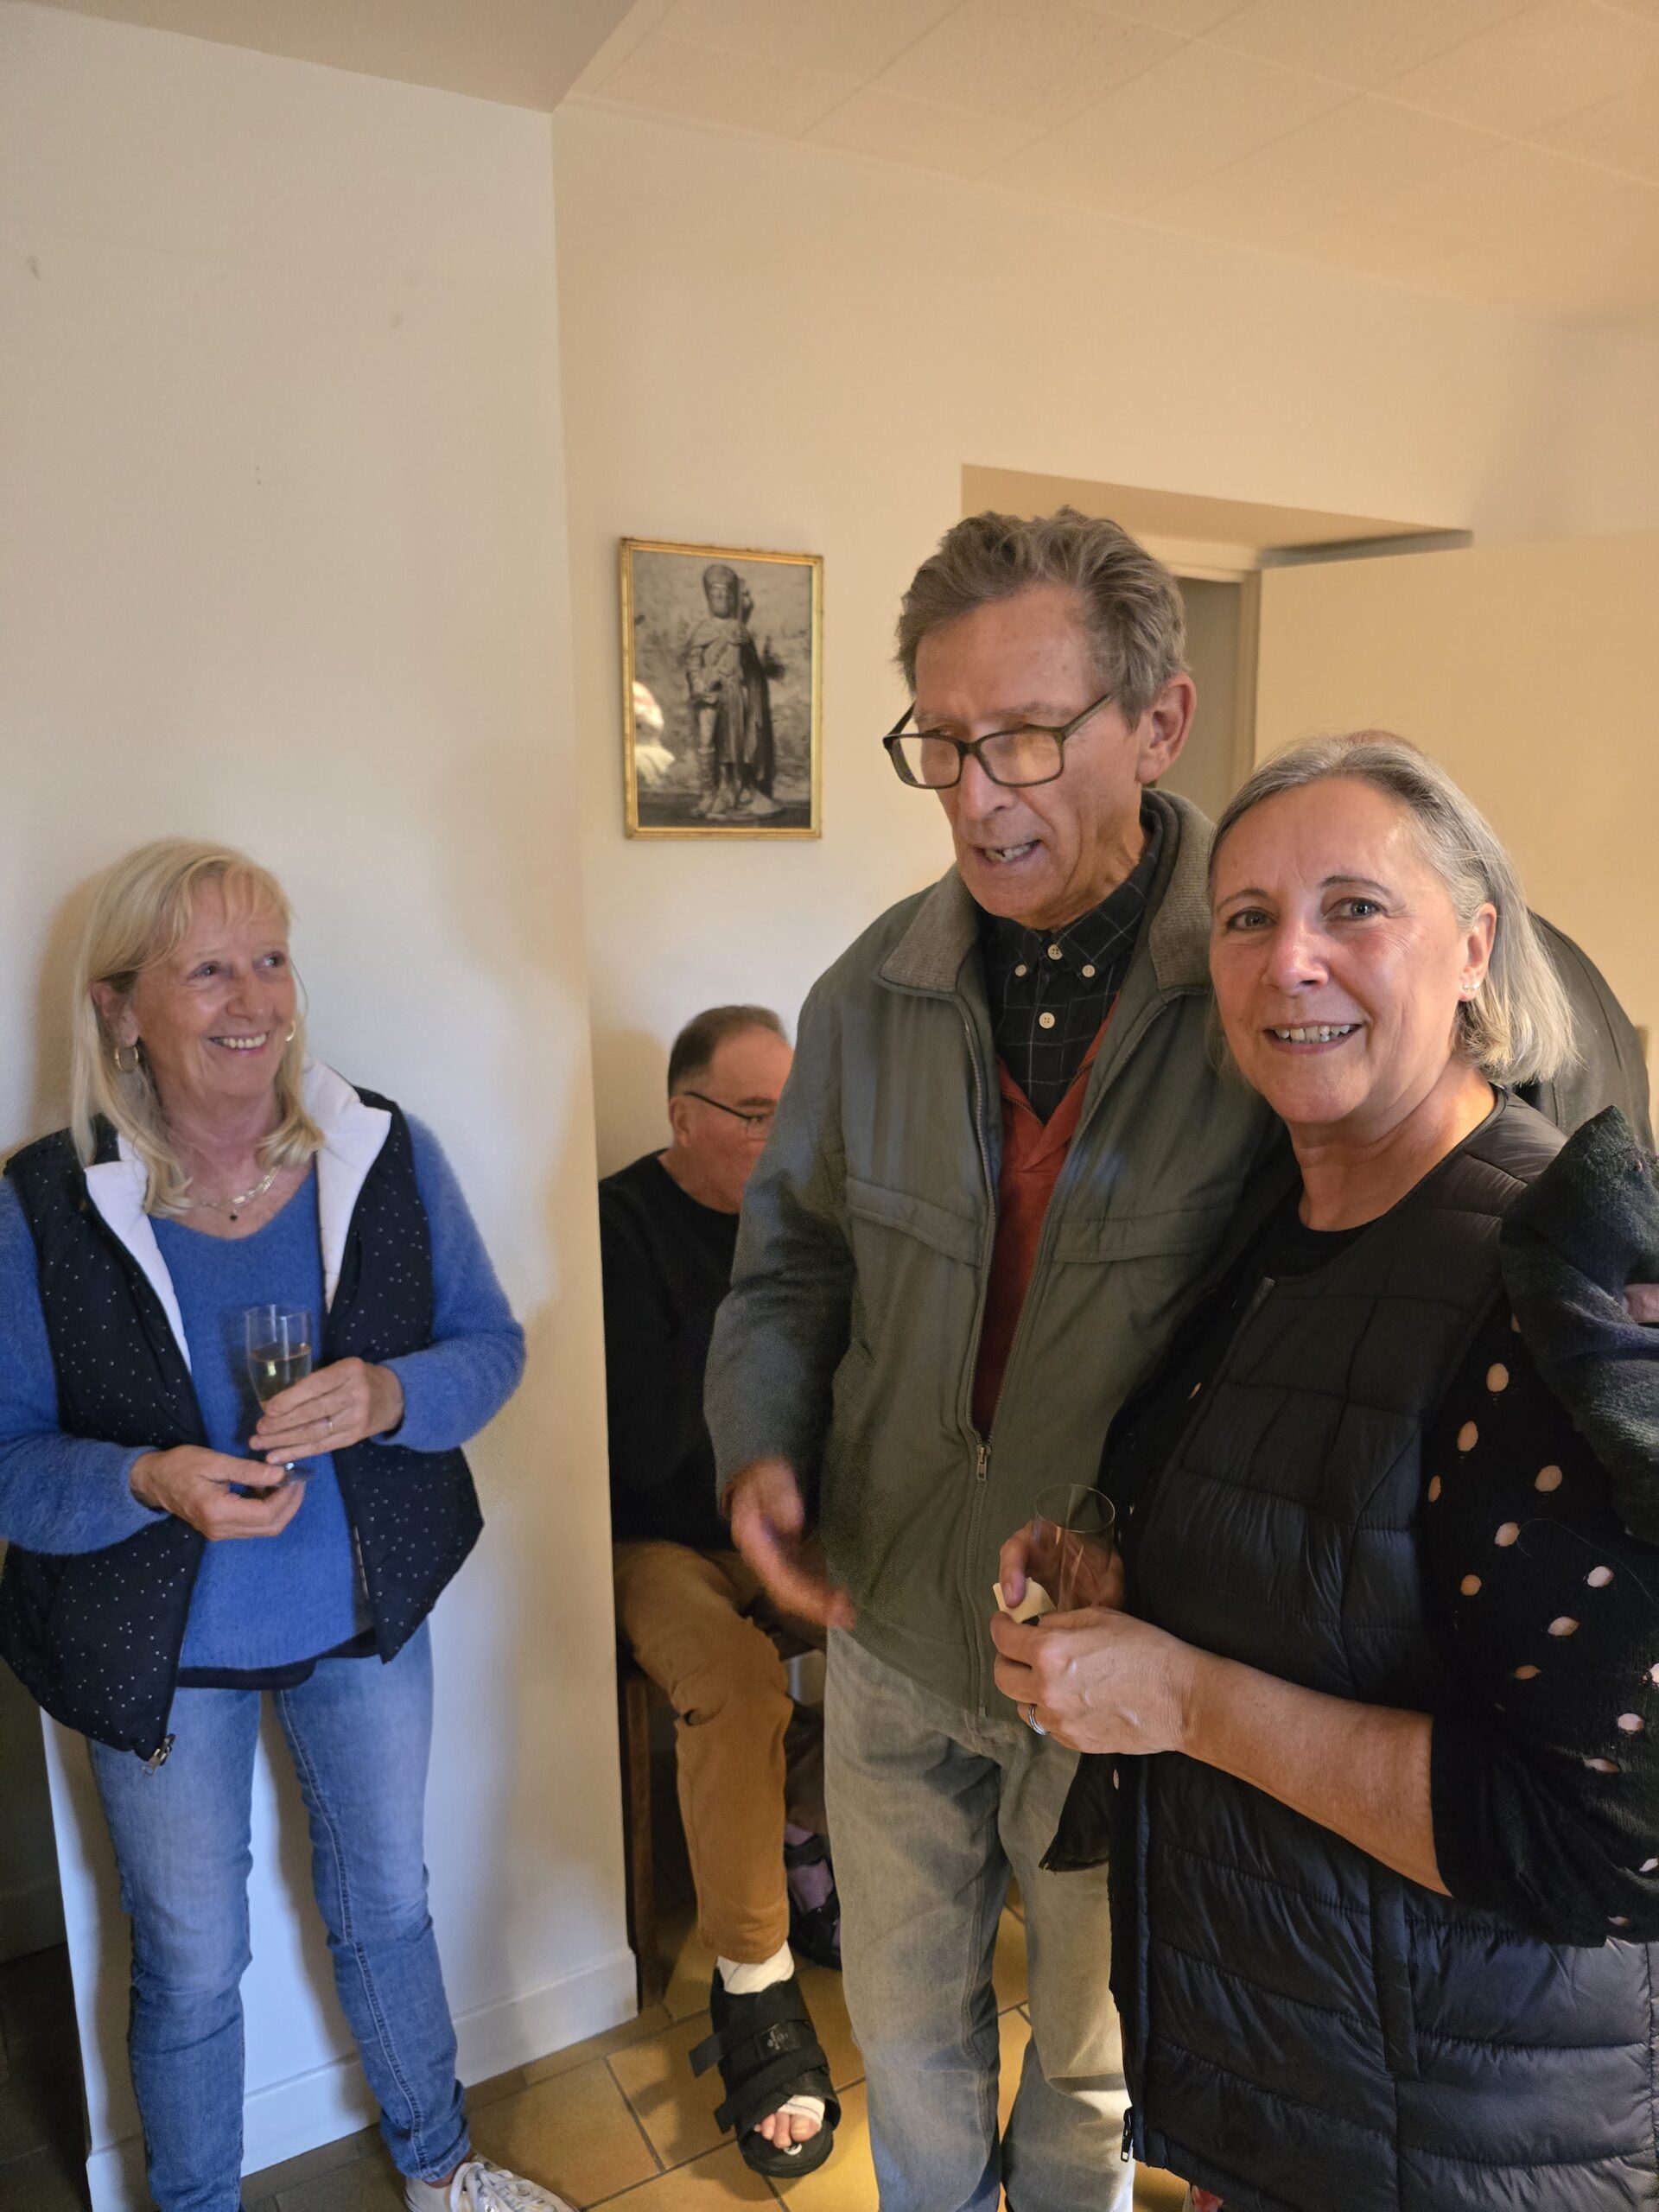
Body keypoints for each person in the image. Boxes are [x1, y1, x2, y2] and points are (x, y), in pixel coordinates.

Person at [704, 509, 1650, 2212]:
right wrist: (763, 1440)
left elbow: (1523, 1125)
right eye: (942, 741)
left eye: (1026, 735)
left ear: (1158, 723)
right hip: (898, 1611)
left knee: (1098, 2064)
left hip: (1134, 1649)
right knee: (906, 2037)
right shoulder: (866, 994)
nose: (976, 792)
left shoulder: (1272, 983)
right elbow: (795, 1258)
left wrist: (1608, 1257)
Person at [992, 735, 1659, 2210]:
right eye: (1248, 917)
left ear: (1474, 945)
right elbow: (1342, 1564)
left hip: (1459, 2138)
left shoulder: (1549, 1271)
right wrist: (1131, 1590)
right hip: (1291, 2083)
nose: (1291, 959)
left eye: (1355, 907)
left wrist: (1181, 1698)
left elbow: (1602, 1843)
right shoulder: (1286, 1214)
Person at [0, 839, 570, 2212]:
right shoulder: (45, 1201)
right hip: (158, 1657)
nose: (253, 997)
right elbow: (8, 1462)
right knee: (191, 1959)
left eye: (270, 958)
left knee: (389, 1905)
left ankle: (443, 2170)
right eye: (207, 969)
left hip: (362, 1617)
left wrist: (388, 1394)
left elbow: (491, 1347)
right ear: (121, 1009)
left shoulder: (377, 1151)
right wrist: (151, 1481)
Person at [601, 1006, 842, 2179]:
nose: (780, 1135)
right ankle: (754, 1982)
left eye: (793, 1111)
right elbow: (642, 1440)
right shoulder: (614, 1226)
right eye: (754, 1114)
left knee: (909, 1624)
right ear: (681, 1115)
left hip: (783, 1523)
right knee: (738, 1681)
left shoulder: (808, 1221)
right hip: (657, 1541)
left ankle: (801, 1823)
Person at [681, 563, 779, 820]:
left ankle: (736, 787)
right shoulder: (704, 630)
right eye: (716, 593)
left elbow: (752, 665)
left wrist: (751, 659)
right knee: (707, 742)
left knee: (736, 741)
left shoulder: (739, 629)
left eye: (725, 593)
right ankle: (708, 793)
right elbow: (693, 661)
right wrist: (699, 682)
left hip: (736, 692)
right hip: (710, 694)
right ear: (708, 597)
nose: (721, 598)